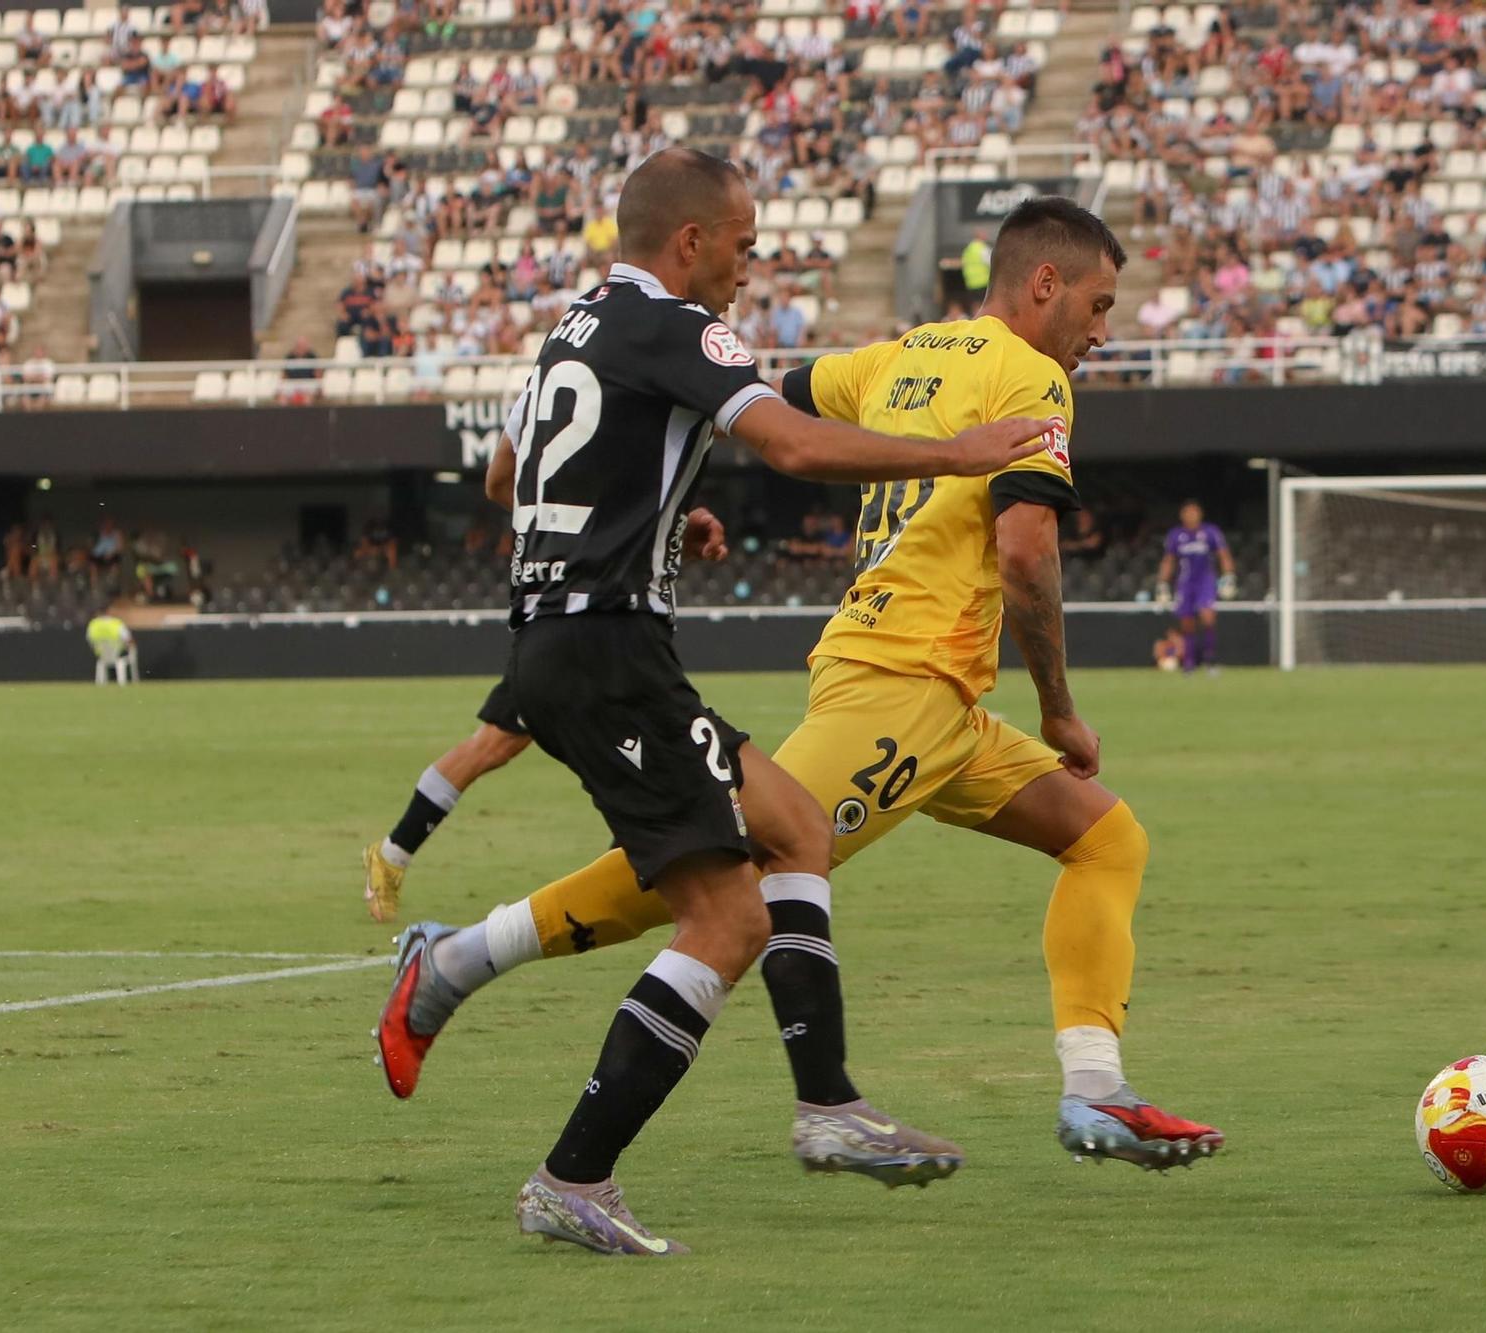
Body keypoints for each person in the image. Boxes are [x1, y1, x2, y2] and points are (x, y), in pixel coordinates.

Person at [372, 194, 1219, 1213]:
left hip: (938, 704)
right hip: (899, 690)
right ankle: (459, 961)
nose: (1100, 329)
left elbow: (785, 387)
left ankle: (1094, 1092)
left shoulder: (903, 354)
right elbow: (1025, 550)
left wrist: (676, 490)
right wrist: (1059, 708)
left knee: (1105, 838)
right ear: (1044, 283)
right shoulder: (1033, 378)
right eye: (1096, 302)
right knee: (720, 866)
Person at [1155, 500, 1235, 674]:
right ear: (1182, 515)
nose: (1191, 516)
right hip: (1185, 582)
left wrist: (1228, 576)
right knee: (1187, 623)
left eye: (1194, 512)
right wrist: (1162, 583)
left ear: (1200, 514)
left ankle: (1210, 659)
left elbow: (1224, 555)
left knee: (1208, 616)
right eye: (1187, 512)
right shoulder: (1176, 535)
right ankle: (1189, 662)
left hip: (1205, 581)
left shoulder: (1210, 532)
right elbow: (1169, 560)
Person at [86, 609, 138, 685]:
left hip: (102, 656)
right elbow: (128, 640)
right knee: (131, 650)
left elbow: (90, 640)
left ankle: (101, 682)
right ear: (109, 612)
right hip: (118, 655)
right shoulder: (116, 623)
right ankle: (129, 680)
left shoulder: (93, 624)